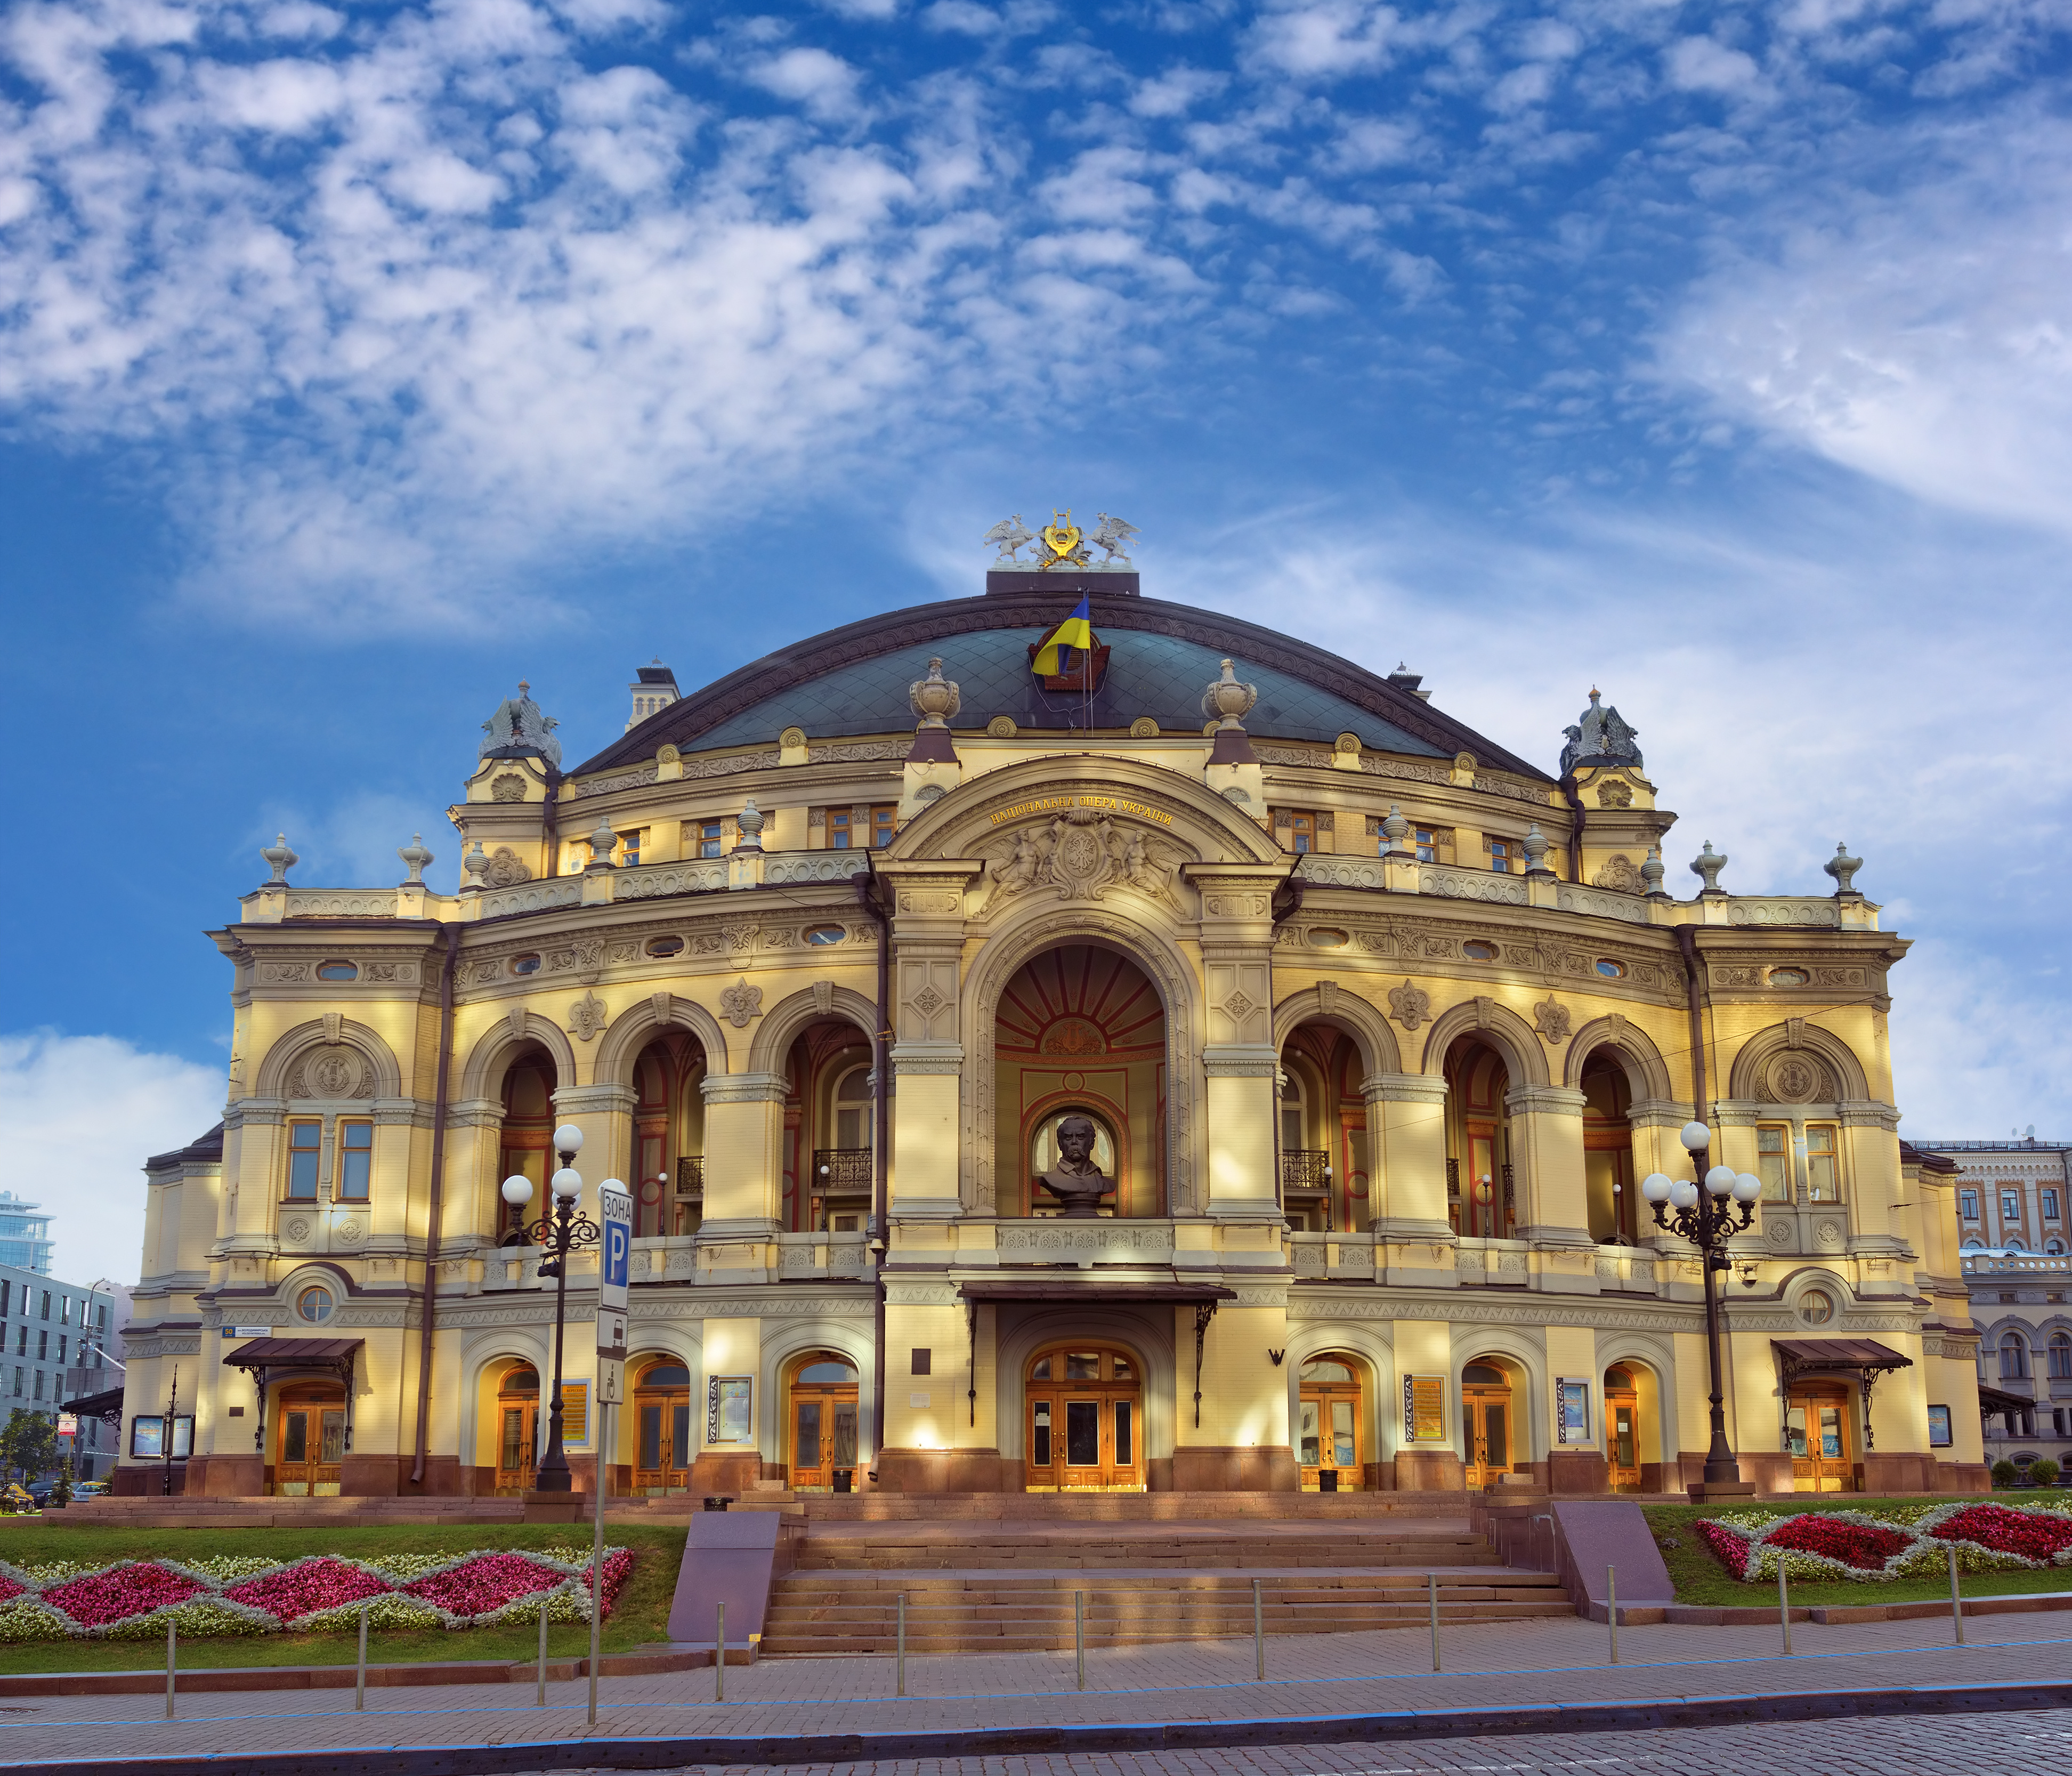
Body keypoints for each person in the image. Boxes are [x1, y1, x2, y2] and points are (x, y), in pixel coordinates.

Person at [1038, 1114, 1112, 1217]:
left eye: (1080, 1137)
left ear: (1092, 1143)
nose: (1074, 1142)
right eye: (1068, 1137)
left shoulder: (1102, 1182)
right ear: (1060, 1144)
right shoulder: (1050, 1179)